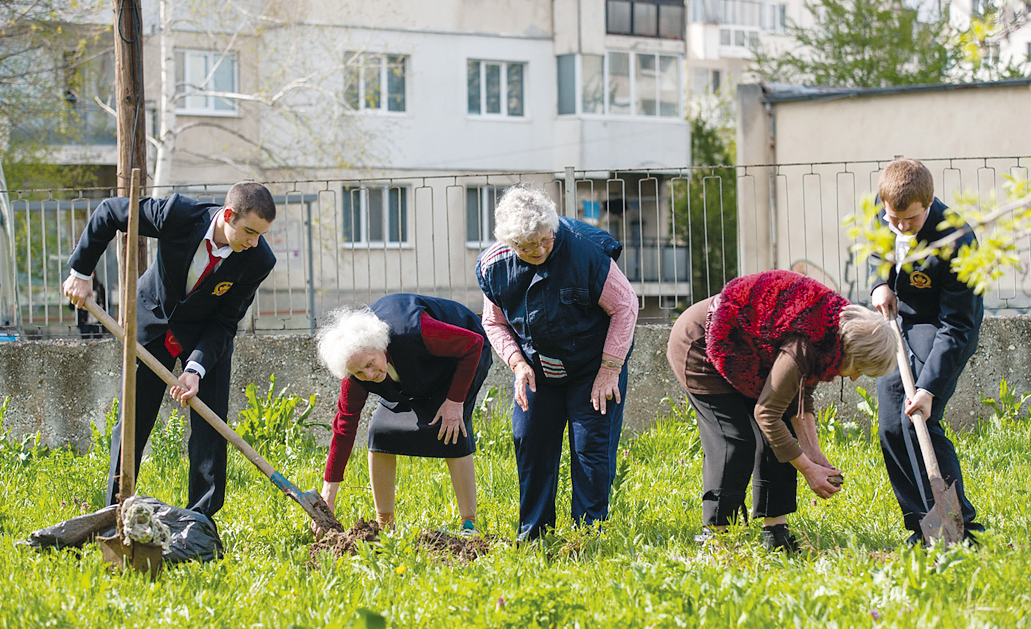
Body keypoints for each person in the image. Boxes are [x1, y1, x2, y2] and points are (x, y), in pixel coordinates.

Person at [64, 181, 276, 518]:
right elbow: (110, 212)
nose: (253, 242)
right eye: (249, 231)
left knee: (210, 429)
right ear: (228, 215)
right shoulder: (178, 215)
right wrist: (80, 271)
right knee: (133, 419)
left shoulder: (258, 260)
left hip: (205, 335)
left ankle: (201, 520)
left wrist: (195, 369)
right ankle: (115, 509)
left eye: (260, 235)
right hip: (154, 318)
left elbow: (225, 322)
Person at [666, 269, 897, 551]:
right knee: (734, 440)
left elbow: (800, 395)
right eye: (860, 368)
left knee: (782, 437)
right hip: (702, 343)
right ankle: (717, 536)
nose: (854, 378)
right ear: (853, 351)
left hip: (749, 350)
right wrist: (808, 470)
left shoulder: (831, 337)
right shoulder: (809, 342)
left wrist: (812, 453)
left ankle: (775, 533)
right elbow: (767, 413)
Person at [475, 186, 638, 541]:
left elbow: (625, 307)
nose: (539, 251)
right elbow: (494, 321)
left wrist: (609, 369)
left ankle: (587, 535)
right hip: (535, 367)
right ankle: (534, 535)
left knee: (589, 449)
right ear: (510, 245)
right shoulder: (495, 266)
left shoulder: (587, 253)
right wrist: (517, 363)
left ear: (553, 230)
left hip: (594, 365)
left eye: (544, 241)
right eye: (527, 247)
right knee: (529, 439)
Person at [869, 158, 984, 545]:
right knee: (890, 423)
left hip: (943, 326)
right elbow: (877, 249)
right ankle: (922, 524)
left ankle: (958, 527)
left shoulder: (957, 239)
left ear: (930, 202)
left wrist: (929, 389)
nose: (901, 227)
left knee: (918, 417)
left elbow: (958, 326)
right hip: (901, 320)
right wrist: (879, 284)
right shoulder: (887, 208)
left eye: (911, 221)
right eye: (893, 219)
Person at [315, 294, 492, 534]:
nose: (367, 375)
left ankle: (469, 524)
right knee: (381, 432)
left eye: (369, 364)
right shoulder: (356, 371)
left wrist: (454, 401)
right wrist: (328, 493)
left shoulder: (414, 332)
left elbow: (472, 343)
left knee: (451, 430)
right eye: (358, 372)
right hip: (408, 372)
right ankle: (385, 525)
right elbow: (344, 425)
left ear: (380, 346)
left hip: (460, 356)